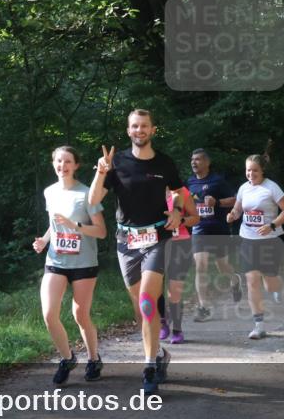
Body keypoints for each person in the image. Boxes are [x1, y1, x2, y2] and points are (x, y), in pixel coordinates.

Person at [89, 109, 185, 394]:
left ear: (153, 130)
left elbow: (178, 191)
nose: (139, 130)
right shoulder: (115, 163)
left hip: (158, 238)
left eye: (144, 126)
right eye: (134, 126)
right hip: (126, 242)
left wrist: (177, 211)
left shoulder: (164, 162)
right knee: (141, 308)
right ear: (128, 130)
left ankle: (148, 368)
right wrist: (101, 172)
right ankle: (159, 354)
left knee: (146, 300)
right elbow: (93, 200)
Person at [32, 146, 107, 384]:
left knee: (80, 315)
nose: (62, 165)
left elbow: (102, 231)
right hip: (56, 260)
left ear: (76, 165)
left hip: (83, 262)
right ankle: (67, 357)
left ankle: (94, 359)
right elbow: (54, 224)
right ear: (53, 163)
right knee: (48, 314)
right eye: (58, 161)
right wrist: (44, 240)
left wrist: (75, 226)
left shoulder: (87, 194)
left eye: (67, 162)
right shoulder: (50, 192)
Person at [226, 154, 284, 340]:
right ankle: (259, 325)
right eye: (248, 170)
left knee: (269, 280)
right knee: (252, 280)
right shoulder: (243, 188)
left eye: (254, 170)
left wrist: (272, 225)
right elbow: (238, 209)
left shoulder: (271, 188)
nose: (250, 174)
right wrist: (232, 214)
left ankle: (276, 286)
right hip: (247, 239)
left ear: (262, 170)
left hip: (269, 240)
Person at [187, 148, 241, 323]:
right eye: (192, 160)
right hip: (199, 228)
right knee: (200, 266)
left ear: (207, 162)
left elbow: (235, 200)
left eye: (198, 159)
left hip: (219, 228)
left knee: (222, 266)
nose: (194, 163)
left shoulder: (217, 181)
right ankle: (204, 307)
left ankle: (234, 280)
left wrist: (217, 202)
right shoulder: (190, 182)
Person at [160, 185, 199, 344]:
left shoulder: (182, 192)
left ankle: (177, 329)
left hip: (180, 245)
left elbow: (195, 218)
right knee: (154, 288)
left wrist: (181, 220)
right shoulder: (147, 188)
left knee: (174, 290)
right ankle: (163, 321)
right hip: (156, 245)